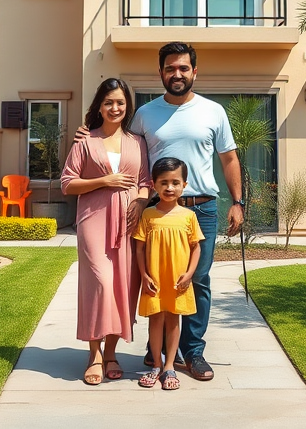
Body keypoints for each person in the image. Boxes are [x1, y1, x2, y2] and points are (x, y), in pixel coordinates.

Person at [127, 42, 243, 381]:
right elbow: (129, 156)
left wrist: (237, 202)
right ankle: (160, 351)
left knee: (197, 280)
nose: (176, 74)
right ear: (160, 72)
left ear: (194, 71)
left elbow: (229, 159)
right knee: (156, 280)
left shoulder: (213, 111)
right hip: (155, 211)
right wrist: (87, 133)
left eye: (183, 68)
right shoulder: (145, 114)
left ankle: (193, 354)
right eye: (170, 68)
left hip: (201, 208)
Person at [61, 77, 152, 386]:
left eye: (121, 102)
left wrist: (139, 203)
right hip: (93, 219)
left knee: (123, 286)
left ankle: (111, 353)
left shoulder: (136, 142)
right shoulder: (86, 141)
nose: (115, 107)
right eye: (109, 102)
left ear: (128, 107)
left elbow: (146, 181)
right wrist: (104, 181)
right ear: (99, 106)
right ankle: (94, 353)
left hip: (128, 221)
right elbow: (67, 182)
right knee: (99, 282)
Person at [134, 157, 203, 391]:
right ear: (154, 184)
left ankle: (170, 366)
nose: (169, 188)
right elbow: (140, 248)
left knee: (174, 321)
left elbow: (196, 247)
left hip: (177, 280)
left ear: (184, 184)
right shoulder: (148, 215)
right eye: (164, 182)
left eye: (175, 182)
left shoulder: (189, 216)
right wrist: (144, 275)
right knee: (155, 321)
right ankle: (155, 364)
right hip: (154, 279)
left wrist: (190, 273)